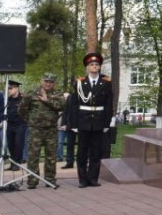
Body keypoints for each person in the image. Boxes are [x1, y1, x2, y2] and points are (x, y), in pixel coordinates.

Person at [64, 52, 115, 187]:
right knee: (82, 151)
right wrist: (73, 123)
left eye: (96, 65)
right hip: (83, 120)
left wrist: (107, 123)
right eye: (91, 65)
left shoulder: (106, 83)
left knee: (96, 151)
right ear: (87, 67)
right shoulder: (80, 82)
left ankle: (93, 178)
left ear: (99, 67)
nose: (94, 67)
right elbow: (74, 104)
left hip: (98, 121)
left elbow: (109, 104)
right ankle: (82, 179)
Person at [20, 74, 66, 189]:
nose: (48, 83)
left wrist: (47, 100)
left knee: (51, 156)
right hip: (35, 130)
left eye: (51, 82)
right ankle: (32, 181)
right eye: (46, 81)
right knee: (33, 156)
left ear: (54, 83)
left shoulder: (57, 94)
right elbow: (22, 109)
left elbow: (63, 106)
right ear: (41, 81)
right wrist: (31, 121)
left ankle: (50, 180)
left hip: (51, 130)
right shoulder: (32, 93)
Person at [5, 80, 27, 164]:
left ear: (16, 88)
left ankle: (17, 164)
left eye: (10, 88)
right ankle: (13, 163)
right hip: (10, 124)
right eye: (8, 88)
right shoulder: (7, 100)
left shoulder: (23, 99)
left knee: (18, 144)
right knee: (11, 144)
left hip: (20, 125)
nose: (9, 90)